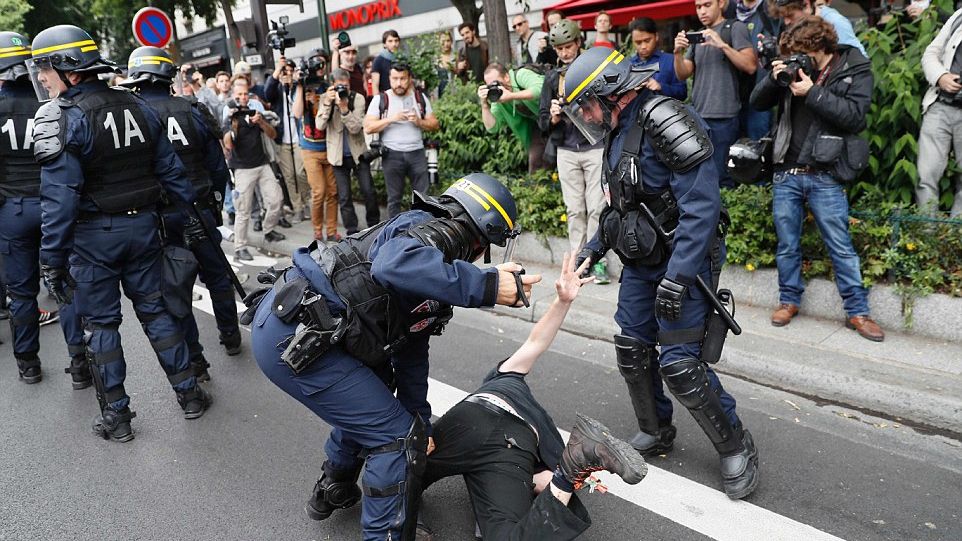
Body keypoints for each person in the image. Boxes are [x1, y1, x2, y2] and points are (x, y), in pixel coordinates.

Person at [245, 173, 540, 541]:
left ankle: (334, 485)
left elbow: (411, 350)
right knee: (397, 439)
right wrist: (488, 286)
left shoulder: (432, 263)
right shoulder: (437, 232)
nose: (482, 257)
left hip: (300, 329)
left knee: (379, 400)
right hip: (298, 338)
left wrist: (421, 421)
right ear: (481, 232)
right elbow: (390, 265)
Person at [564, 46, 760, 498]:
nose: (585, 115)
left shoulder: (666, 119)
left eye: (586, 104)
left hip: (684, 259)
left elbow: (702, 207)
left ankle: (736, 444)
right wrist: (593, 247)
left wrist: (680, 276)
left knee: (680, 363)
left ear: (610, 93)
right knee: (632, 346)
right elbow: (620, 206)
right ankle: (656, 429)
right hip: (642, 260)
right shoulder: (617, 131)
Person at [29, 25, 212, 441]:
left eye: (44, 68)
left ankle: (118, 416)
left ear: (69, 69)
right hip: (145, 230)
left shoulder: (64, 117)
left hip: (93, 240)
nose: (40, 77)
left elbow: (59, 202)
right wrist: (187, 219)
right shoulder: (137, 105)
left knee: (101, 326)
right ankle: (190, 396)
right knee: (157, 313)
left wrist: (51, 261)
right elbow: (173, 173)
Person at [420, 252, 648, 540]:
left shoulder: (500, 380)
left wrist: (563, 301)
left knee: (402, 469)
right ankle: (571, 469)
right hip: (516, 445)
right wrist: (563, 301)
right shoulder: (505, 379)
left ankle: (404, 516)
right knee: (505, 532)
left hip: (473, 421)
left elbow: (535, 342)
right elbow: (535, 343)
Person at [749, 18, 884, 341]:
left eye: (801, 52)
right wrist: (774, 78)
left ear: (820, 48)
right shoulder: (793, 69)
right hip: (787, 170)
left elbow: (855, 117)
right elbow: (756, 102)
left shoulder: (853, 67)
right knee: (787, 244)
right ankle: (788, 300)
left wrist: (813, 92)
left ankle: (858, 311)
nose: (797, 58)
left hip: (826, 172)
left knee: (840, 245)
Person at [123, 46, 243, 372]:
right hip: (200, 209)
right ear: (168, 76)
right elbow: (218, 167)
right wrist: (215, 205)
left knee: (175, 288)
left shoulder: (133, 117)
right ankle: (231, 336)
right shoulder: (193, 109)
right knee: (217, 277)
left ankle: (196, 359)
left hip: (161, 219)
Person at [0, 30, 87, 388]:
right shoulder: (53, 103)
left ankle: (28, 364)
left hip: (13, 211)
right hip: (56, 205)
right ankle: (80, 362)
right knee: (64, 283)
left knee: (21, 293)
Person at [538, 19, 611, 284]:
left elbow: (609, 108)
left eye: (568, 46)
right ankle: (578, 262)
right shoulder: (552, 78)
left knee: (597, 207)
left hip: (595, 146)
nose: (565, 52)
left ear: (579, 43)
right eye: (559, 49)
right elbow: (541, 121)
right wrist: (554, 116)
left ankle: (596, 261)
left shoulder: (593, 69)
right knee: (574, 210)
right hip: (566, 150)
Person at [675, 0, 758, 189]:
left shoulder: (735, 27)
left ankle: (726, 207)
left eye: (707, 5)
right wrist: (678, 53)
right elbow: (683, 73)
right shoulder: (699, 34)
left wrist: (722, 45)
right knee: (701, 175)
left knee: (723, 177)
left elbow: (750, 66)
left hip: (725, 115)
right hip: (699, 115)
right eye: (698, 7)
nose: (702, 11)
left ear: (721, 3)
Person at [364, 62, 440, 218]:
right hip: (391, 154)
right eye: (395, 78)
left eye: (403, 78)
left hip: (417, 153)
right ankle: (395, 231)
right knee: (394, 199)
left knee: (423, 198)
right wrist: (392, 119)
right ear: (389, 78)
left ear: (410, 78)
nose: (398, 83)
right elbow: (368, 127)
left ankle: (421, 228)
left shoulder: (419, 98)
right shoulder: (381, 99)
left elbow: (435, 124)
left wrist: (419, 121)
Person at [223, 77, 286, 260]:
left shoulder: (256, 111)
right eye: (239, 94)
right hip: (242, 168)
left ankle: (269, 230)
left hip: (262, 163)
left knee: (276, 199)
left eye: (245, 94)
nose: (243, 97)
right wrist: (233, 123)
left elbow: (273, 134)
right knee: (243, 210)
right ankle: (240, 247)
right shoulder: (230, 114)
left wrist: (261, 122)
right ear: (234, 96)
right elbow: (228, 145)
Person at [317, 69, 380, 235]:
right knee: (344, 197)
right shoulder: (325, 98)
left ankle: (374, 225)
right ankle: (352, 231)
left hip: (358, 153)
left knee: (368, 191)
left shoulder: (357, 98)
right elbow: (319, 126)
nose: (342, 89)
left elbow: (356, 128)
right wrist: (328, 103)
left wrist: (344, 109)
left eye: (345, 86)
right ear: (332, 85)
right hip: (337, 155)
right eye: (339, 86)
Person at [917, 7, 962, 215]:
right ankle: (925, 232)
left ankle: (956, 232)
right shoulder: (959, 16)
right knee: (925, 176)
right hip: (940, 105)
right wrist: (940, 76)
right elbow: (930, 54)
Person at [293, 52, 340, 242]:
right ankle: (317, 230)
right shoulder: (302, 86)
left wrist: (320, 100)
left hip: (328, 146)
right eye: (317, 64)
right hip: (310, 149)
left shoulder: (326, 86)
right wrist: (299, 85)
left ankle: (331, 231)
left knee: (333, 192)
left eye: (323, 64)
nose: (321, 68)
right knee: (319, 191)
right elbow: (297, 113)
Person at [266, 56, 312, 224]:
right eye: (284, 72)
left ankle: (306, 202)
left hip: (299, 139)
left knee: (301, 173)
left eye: (290, 72)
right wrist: (278, 69)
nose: (288, 75)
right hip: (283, 141)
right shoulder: (277, 90)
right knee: (289, 176)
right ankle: (297, 207)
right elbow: (267, 92)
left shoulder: (298, 89)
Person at [479, 62, 546, 173]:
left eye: (496, 83)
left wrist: (511, 96)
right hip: (539, 125)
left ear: (506, 77)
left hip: (558, 113)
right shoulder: (499, 98)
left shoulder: (521, 75)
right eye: (490, 86)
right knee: (535, 162)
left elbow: (540, 89)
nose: (494, 87)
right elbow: (492, 128)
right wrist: (484, 105)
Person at [774, 0, 867, 57]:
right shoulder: (796, 23)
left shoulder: (835, 22)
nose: (786, 22)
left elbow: (859, 60)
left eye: (790, 15)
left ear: (806, 4)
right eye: (783, 17)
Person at [629, 18, 687, 100]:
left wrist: (660, 87)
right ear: (632, 41)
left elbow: (683, 92)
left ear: (656, 36)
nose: (643, 46)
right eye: (638, 42)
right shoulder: (628, 65)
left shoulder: (671, 60)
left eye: (647, 41)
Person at [437, 31, 456, 98]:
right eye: (443, 41)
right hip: (440, 94)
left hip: (455, 92)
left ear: (451, 41)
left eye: (448, 40)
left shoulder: (456, 56)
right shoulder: (436, 58)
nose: (446, 44)